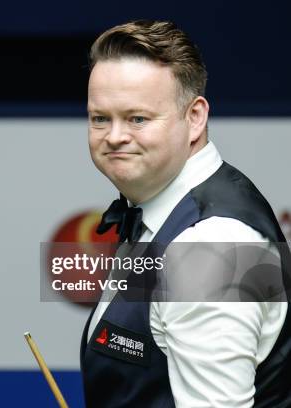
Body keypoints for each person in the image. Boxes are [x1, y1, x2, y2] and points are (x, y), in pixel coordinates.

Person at [80, 20, 291, 407]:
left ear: (194, 118)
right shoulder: (161, 208)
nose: (113, 136)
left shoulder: (211, 245)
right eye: (100, 118)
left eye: (137, 118)